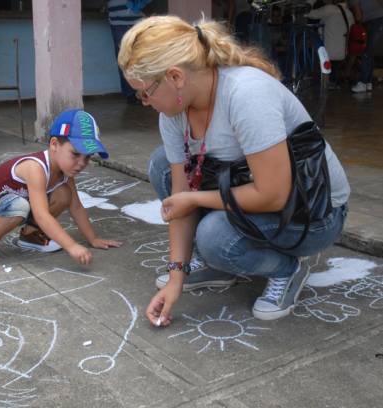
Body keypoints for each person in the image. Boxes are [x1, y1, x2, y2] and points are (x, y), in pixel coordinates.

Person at [118, 16, 350, 325]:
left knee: (215, 236)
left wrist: (196, 200)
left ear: (175, 77)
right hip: (254, 187)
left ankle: (286, 268)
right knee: (163, 164)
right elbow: (178, 199)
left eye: (144, 92)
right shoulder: (174, 113)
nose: (144, 102)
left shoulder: (246, 94)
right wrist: (176, 278)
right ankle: (222, 266)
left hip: (313, 210)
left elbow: (273, 195)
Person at [0, 109, 122, 269]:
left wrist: (93, 239)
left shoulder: (65, 171)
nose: (81, 163)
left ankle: (30, 235)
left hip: (21, 204)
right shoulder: (36, 168)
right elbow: (41, 215)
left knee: (64, 194)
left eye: (88, 157)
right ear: (54, 144)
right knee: (19, 205)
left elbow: (76, 206)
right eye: (76, 154)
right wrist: (71, 245)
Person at [106, 0, 151, 104]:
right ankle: (131, 95)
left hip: (137, 21)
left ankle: (145, 93)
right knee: (124, 61)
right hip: (118, 22)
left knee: (142, 60)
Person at [306, 0, 354, 87]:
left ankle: (321, 83)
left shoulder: (329, 9)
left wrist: (311, 1)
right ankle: (331, 82)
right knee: (332, 72)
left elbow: (309, 14)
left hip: (326, 53)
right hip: (342, 53)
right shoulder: (349, 13)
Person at [349, 0, 383, 93]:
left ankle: (363, 83)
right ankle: (368, 83)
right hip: (378, 20)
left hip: (377, 21)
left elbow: (358, 16)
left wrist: (355, 24)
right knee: (369, 52)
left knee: (366, 53)